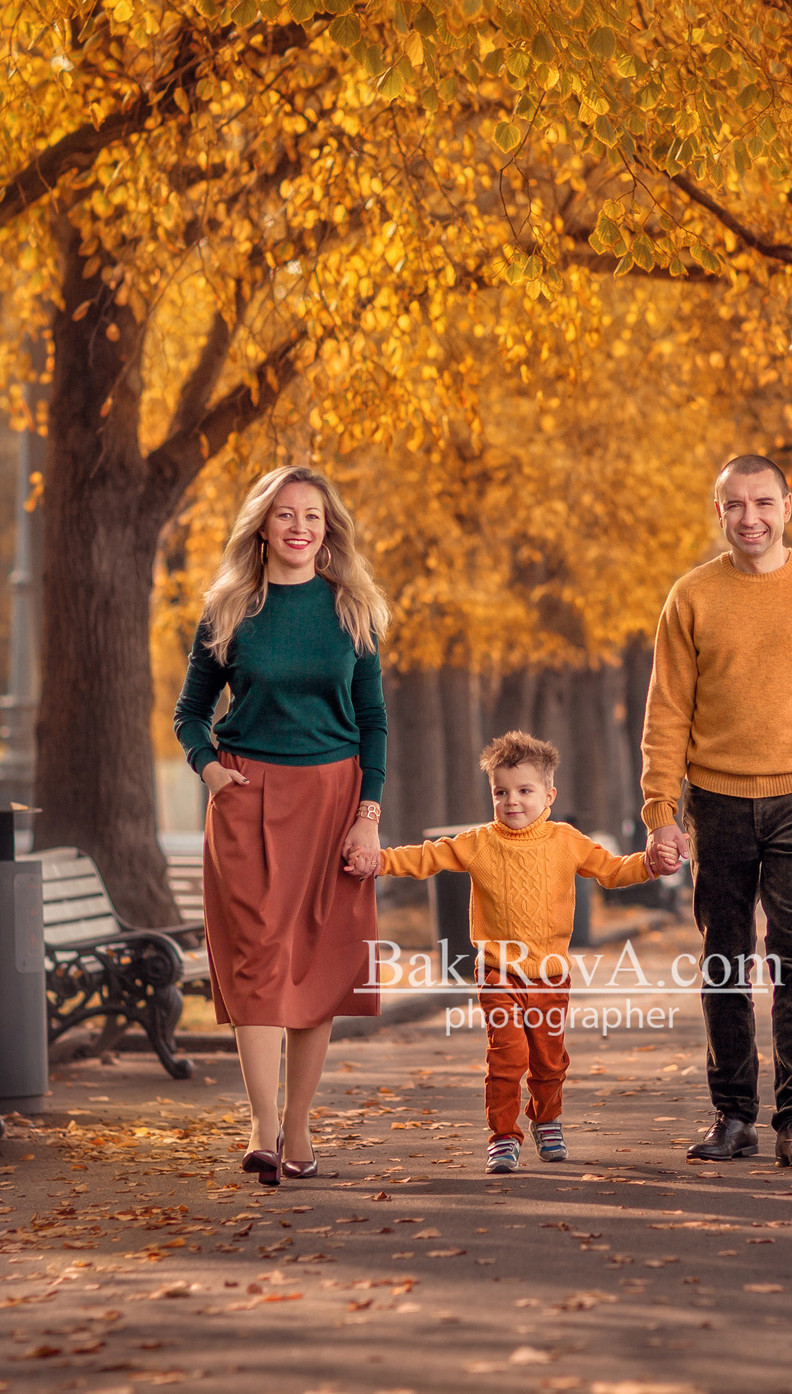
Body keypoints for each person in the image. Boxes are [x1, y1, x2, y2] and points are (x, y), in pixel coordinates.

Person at [640, 453, 792, 1171]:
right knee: (724, 957)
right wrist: (661, 810)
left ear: (786, 506)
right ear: (720, 512)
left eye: (763, 503)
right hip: (718, 800)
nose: (751, 518)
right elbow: (667, 710)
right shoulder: (691, 596)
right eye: (736, 505)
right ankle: (733, 1113)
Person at [173, 465, 391, 1187]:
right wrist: (212, 773)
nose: (300, 526)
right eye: (286, 514)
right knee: (258, 960)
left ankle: (299, 1127)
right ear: (262, 526)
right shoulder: (228, 609)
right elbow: (189, 712)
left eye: (313, 517)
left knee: (315, 964)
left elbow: (374, 724)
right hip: (249, 796)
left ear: (328, 531)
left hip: (333, 798)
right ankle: (263, 1128)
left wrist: (368, 816)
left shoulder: (351, 610)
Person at [378, 731, 680, 1173]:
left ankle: (547, 1119)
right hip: (498, 972)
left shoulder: (566, 840)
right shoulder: (479, 842)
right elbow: (426, 857)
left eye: (524, 790)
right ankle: (503, 1135)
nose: (511, 801)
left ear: (549, 795)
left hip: (551, 974)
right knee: (507, 1057)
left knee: (549, 1060)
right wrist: (379, 860)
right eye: (500, 792)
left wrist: (651, 863)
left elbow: (613, 871)